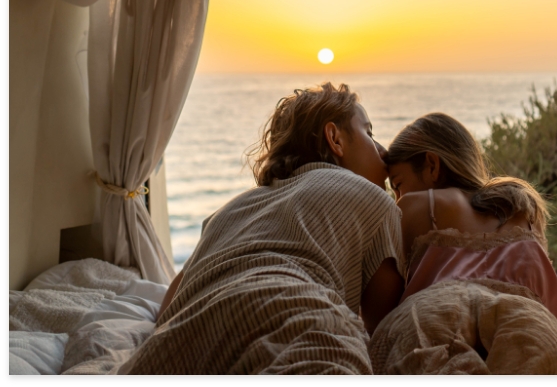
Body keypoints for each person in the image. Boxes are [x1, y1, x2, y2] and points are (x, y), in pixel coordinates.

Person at [120, 83, 404, 374]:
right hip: (291, 315)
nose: (383, 153)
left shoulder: (231, 209)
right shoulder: (371, 197)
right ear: (335, 139)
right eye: (369, 134)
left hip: (177, 340)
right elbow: (383, 325)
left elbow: (171, 304)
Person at [368, 113, 557, 374]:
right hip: (530, 325)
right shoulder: (522, 206)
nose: (397, 195)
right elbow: (554, 310)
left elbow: (378, 317)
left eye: (397, 184)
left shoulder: (416, 206)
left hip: (439, 318)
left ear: (432, 165)